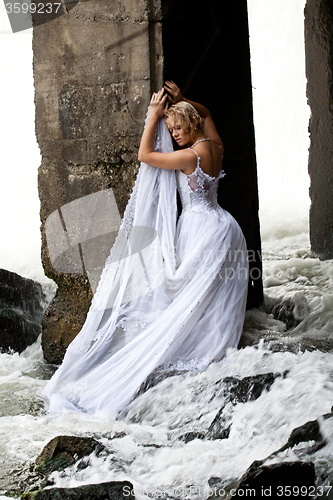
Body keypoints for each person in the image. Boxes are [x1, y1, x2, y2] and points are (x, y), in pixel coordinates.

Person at [42, 82, 248, 419]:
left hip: (199, 229)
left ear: (191, 124)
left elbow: (145, 156)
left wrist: (153, 117)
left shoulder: (188, 156)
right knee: (205, 293)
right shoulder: (215, 146)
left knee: (188, 292)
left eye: (178, 127)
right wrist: (182, 101)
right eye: (170, 129)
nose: (175, 134)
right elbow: (207, 112)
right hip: (224, 225)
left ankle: (197, 346)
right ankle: (214, 344)